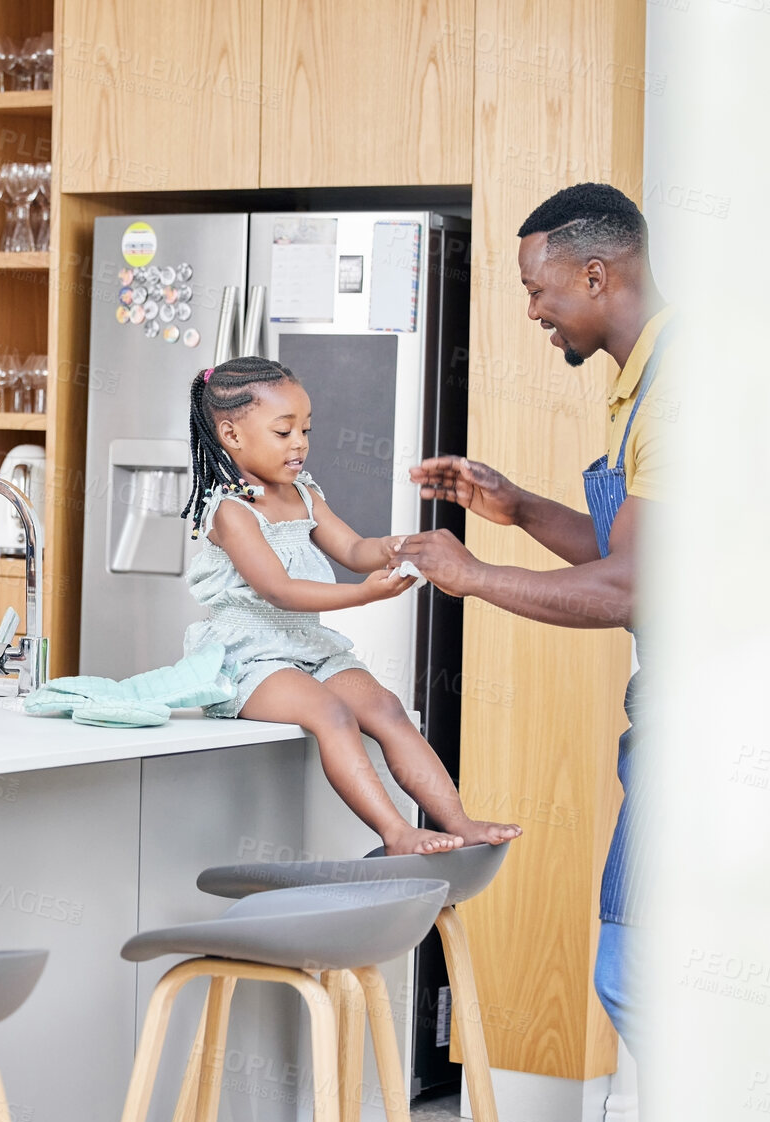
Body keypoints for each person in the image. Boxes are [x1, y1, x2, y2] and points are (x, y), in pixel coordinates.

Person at [397, 182, 669, 1052]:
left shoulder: (683, 388)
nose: (531, 311)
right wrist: (513, 507)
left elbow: (632, 587)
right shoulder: (642, 382)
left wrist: (473, 575)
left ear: (594, 274)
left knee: (637, 974)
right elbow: (624, 548)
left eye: (535, 288)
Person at [180, 357, 523, 855]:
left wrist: (397, 547)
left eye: (306, 428)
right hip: (248, 657)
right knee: (332, 714)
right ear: (231, 435)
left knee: (385, 706)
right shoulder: (231, 512)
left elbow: (354, 549)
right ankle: (396, 832)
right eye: (284, 432)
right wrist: (365, 593)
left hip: (308, 648)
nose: (300, 442)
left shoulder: (304, 492)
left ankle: (458, 821)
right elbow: (280, 590)